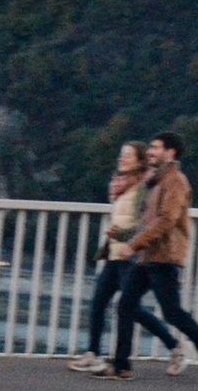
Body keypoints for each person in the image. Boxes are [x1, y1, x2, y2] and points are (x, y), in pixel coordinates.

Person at [99, 131, 198, 383]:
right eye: (150, 148)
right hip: (147, 256)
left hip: (165, 256)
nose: (150, 152)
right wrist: (130, 238)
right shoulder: (155, 181)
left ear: (171, 153)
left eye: (155, 148)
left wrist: (133, 245)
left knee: (172, 312)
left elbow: (166, 220)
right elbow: (146, 220)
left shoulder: (176, 182)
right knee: (125, 305)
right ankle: (121, 366)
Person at [67, 142, 179, 375]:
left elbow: (143, 222)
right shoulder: (119, 183)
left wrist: (124, 236)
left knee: (131, 309)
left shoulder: (143, 186)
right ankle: (93, 353)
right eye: (121, 155)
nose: (121, 159)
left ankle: (173, 345)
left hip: (130, 255)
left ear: (139, 160)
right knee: (98, 302)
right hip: (115, 253)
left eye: (127, 155)